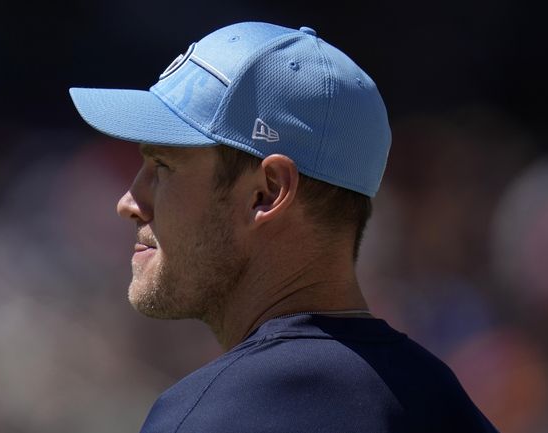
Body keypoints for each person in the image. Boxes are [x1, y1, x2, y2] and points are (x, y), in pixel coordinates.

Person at [70, 21, 498, 433]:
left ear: (267, 192)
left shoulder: (214, 416)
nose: (128, 203)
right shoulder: (445, 402)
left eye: (163, 166)